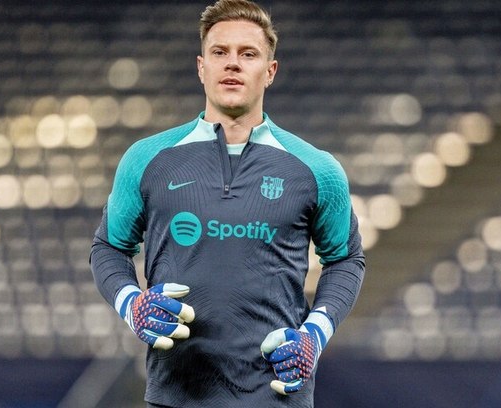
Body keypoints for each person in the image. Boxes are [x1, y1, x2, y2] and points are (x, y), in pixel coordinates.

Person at [90, 0, 365, 406]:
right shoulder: (146, 159)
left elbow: (346, 260)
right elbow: (109, 248)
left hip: (276, 397)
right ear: (202, 67)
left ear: (270, 72)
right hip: (175, 395)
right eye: (220, 52)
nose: (232, 64)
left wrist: (314, 334)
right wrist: (133, 305)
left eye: (248, 54)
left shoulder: (316, 170)